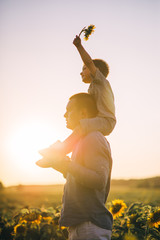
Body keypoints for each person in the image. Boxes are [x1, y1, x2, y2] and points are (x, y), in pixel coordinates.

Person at [36, 93, 113, 240]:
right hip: (83, 225)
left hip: (90, 225)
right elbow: (81, 178)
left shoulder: (93, 138)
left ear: (83, 113)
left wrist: (66, 164)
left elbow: (98, 180)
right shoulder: (82, 141)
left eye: (68, 110)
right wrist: (62, 167)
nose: (64, 115)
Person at [37, 35, 116, 166]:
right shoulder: (93, 88)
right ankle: (59, 154)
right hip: (101, 120)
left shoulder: (101, 82)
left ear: (95, 70)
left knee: (81, 127)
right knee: (80, 132)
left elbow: (90, 62)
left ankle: (59, 151)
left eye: (84, 68)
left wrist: (79, 46)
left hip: (106, 121)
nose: (81, 72)